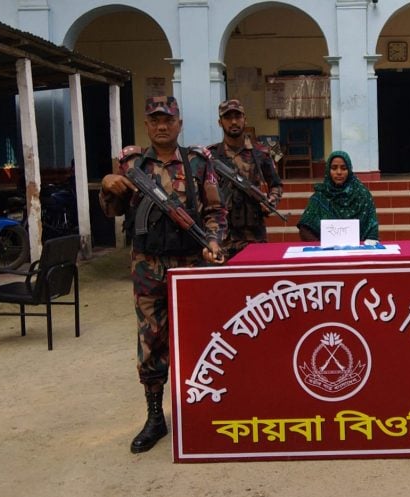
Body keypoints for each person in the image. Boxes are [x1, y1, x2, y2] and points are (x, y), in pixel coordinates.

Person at [99, 96, 226, 454]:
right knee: (151, 341)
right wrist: (108, 186)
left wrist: (212, 241)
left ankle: (199, 412)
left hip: (190, 265)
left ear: (179, 124)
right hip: (148, 266)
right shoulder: (132, 164)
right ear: (146, 125)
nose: (161, 126)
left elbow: (215, 210)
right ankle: (155, 417)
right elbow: (113, 210)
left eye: (168, 120)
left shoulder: (198, 162)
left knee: (199, 340)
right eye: (155, 120)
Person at [207, 99, 283, 259]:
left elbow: (276, 185)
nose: (234, 122)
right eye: (228, 118)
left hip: (254, 235)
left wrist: (271, 201)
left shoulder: (260, 153)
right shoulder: (210, 156)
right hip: (222, 238)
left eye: (238, 117)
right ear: (220, 122)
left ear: (245, 120)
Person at [296, 150, 379, 242]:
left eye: (344, 168)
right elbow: (305, 229)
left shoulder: (362, 195)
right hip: (326, 249)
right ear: (328, 170)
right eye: (334, 168)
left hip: (358, 248)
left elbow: (372, 228)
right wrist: (322, 247)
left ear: (349, 170)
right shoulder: (320, 197)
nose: (339, 172)